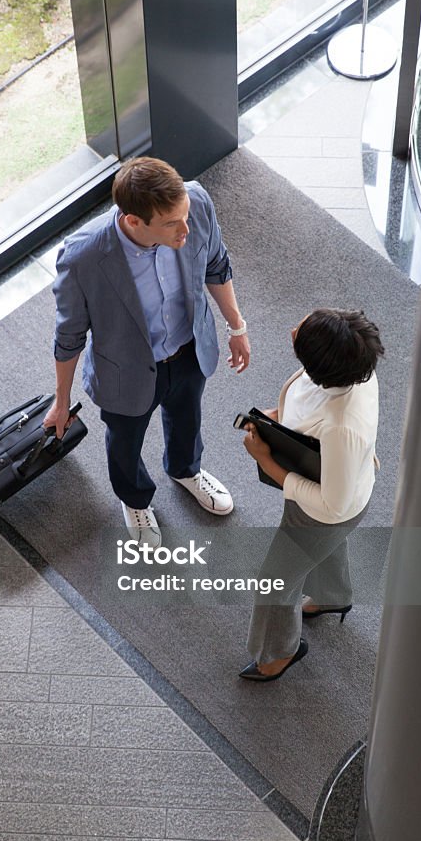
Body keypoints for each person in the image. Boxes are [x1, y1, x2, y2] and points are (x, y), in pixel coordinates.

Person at [44, 156, 250, 548]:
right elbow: (69, 335)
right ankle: (135, 499)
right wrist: (61, 399)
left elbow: (216, 265)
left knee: (188, 417)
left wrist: (236, 325)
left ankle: (185, 470)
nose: (186, 230)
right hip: (126, 371)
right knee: (125, 441)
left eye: (185, 216)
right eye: (172, 223)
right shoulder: (83, 257)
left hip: (188, 349)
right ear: (133, 220)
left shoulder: (196, 203)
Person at [239, 308, 384, 681]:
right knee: (325, 548)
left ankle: (277, 654)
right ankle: (333, 596)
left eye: (302, 331)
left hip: (325, 512)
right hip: (336, 482)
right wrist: (276, 421)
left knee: (274, 581)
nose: (294, 326)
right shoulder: (352, 369)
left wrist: (266, 460)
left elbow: (331, 504)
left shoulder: (341, 428)